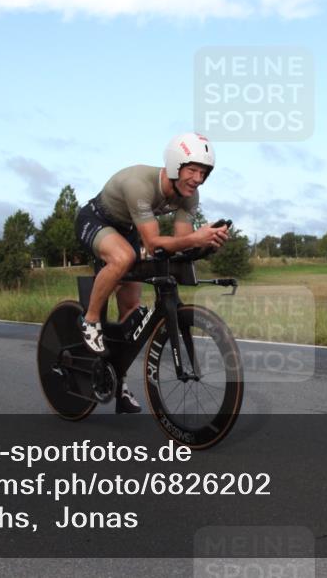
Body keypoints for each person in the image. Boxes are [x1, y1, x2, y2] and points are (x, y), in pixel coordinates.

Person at [74, 133, 229, 413]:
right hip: (96, 219)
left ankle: (117, 382)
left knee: (130, 313)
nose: (197, 178)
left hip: (129, 228)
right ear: (174, 165)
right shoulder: (140, 186)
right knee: (124, 258)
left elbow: (180, 243)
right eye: (192, 170)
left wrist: (206, 243)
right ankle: (90, 320)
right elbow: (155, 243)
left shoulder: (189, 197)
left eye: (203, 172)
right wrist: (195, 238)